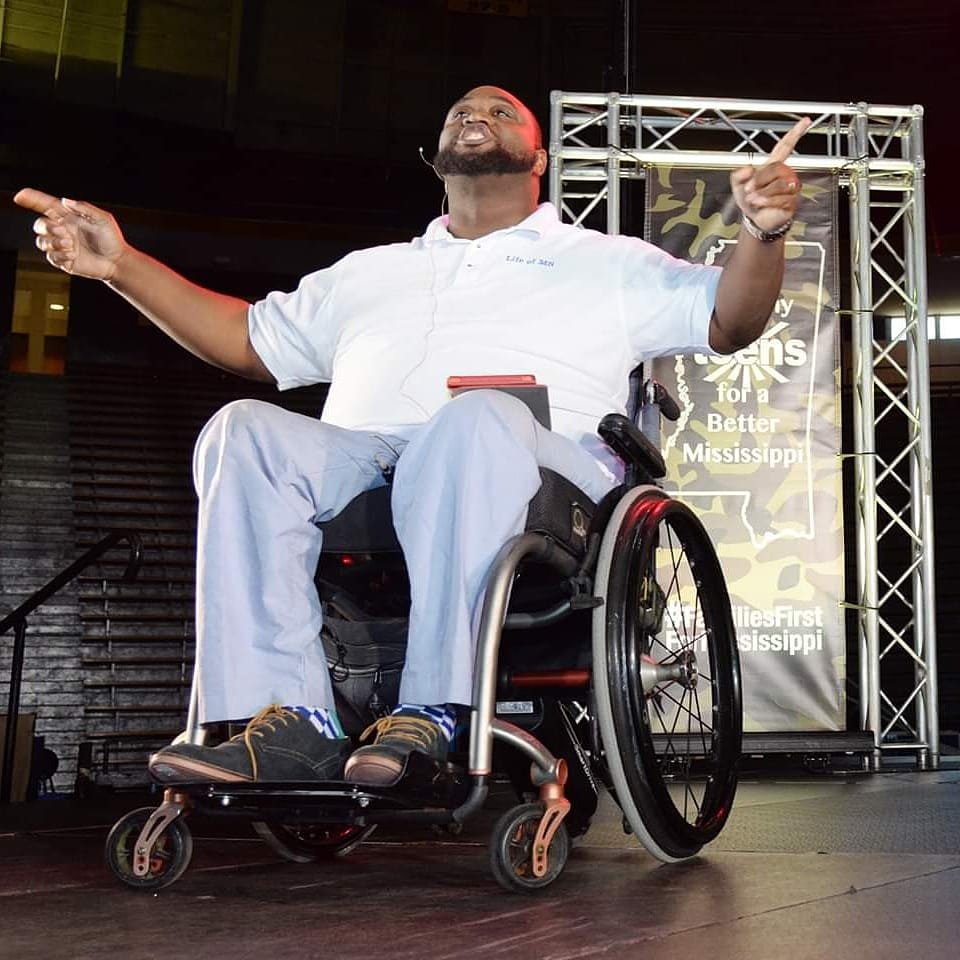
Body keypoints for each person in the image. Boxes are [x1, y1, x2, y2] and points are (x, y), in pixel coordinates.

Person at [14, 85, 809, 788]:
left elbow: (729, 319)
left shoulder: (608, 261)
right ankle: (287, 718)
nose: (476, 114)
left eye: (501, 110)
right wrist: (119, 265)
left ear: (540, 158)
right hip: (370, 463)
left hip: (539, 477)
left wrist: (763, 233)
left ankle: (438, 706)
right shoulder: (369, 270)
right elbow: (246, 340)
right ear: (434, 155)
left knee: (476, 417)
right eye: (461, 110)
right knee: (241, 431)